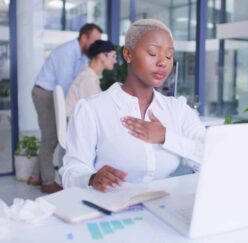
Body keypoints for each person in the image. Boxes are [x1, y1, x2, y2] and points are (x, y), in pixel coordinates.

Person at [59, 19, 206, 192]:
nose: (163, 62)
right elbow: (71, 171)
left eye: (169, 56)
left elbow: (211, 158)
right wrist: (91, 178)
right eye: (153, 53)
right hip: (109, 207)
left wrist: (166, 137)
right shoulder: (92, 109)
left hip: (163, 206)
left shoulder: (177, 110)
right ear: (128, 54)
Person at [30, 23, 103, 193]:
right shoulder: (67, 52)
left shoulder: (83, 54)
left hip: (53, 93)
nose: (95, 46)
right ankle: (47, 182)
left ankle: (34, 176)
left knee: (49, 136)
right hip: (45, 93)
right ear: (83, 37)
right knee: (51, 137)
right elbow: (66, 86)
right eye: (94, 41)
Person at [65, 40, 116, 117]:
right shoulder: (88, 79)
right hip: (76, 124)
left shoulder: (89, 76)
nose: (115, 61)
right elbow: (94, 111)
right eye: (113, 56)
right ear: (102, 56)